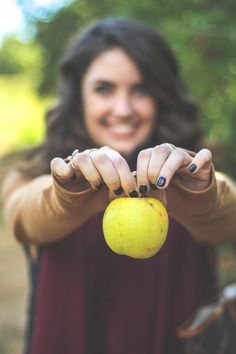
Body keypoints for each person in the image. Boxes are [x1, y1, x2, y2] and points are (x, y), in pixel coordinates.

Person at [1, 17, 236, 354]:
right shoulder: (42, 172)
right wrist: (67, 195)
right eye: (104, 89)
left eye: (140, 89)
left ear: (161, 96)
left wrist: (201, 195)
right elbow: (24, 214)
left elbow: (228, 217)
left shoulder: (185, 172)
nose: (123, 110)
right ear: (78, 97)